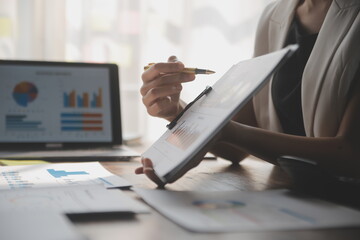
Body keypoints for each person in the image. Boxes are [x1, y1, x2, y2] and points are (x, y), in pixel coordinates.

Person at [136, 0, 360, 186]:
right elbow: (236, 148)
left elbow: (349, 154)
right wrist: (177, 112)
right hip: (290, 198)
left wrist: (225, 130)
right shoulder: (276, 14)